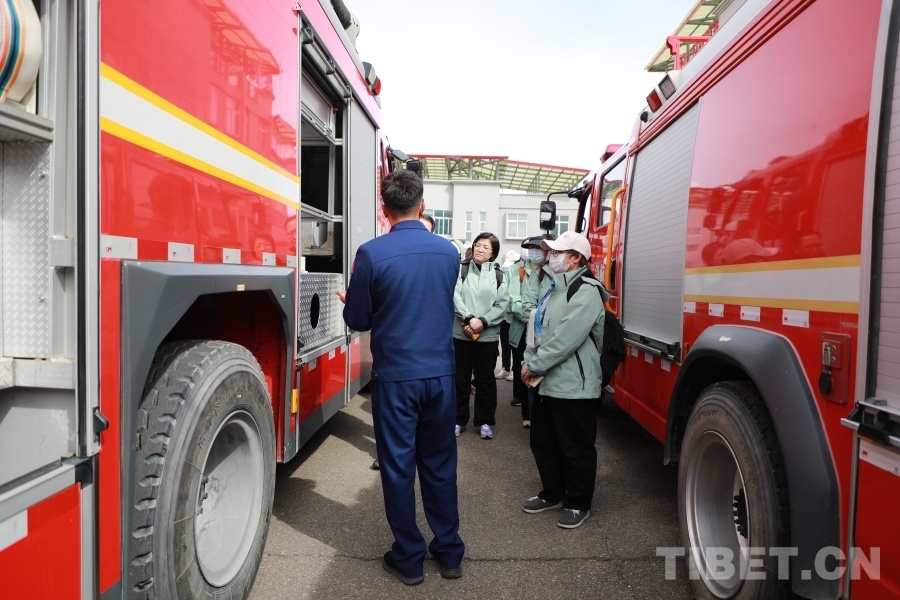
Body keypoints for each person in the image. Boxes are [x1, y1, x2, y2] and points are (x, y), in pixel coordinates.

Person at [337, 170, 464, 585]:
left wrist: (353, 301)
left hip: (396, 377)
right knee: (440, 464)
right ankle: (449, 552)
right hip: (440, 374)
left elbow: (358, 319)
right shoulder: (448, 252)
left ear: (384, 209)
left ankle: (409, 558)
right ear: (421, 205)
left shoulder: (372, 253)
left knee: (398, 466)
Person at [520, 231, 608, 529]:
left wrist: (534, 366)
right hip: (546, 381)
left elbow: (566, 339)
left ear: (576, 258)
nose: (551, 256)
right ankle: (553, 493)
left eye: (558, 252)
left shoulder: (587, 290)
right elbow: (537, 330)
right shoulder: (554, 288)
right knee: (543, 442)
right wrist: (528, 361)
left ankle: (578, 502)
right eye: (552, 252)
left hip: (574, 384)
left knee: (575, 447)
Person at [453, 232, 509, 440]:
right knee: (460, 378)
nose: (480, 249)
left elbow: (502, 304)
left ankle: (485, 421)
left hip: (487, 336)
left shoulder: (499, 275)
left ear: (493, 253)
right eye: (477, 245)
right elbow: (455, 296)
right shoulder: (461, 270)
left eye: (486, 247)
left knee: (485, 379)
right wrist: (469, 319)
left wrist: (482, 322)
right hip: (461, 333)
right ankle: (458, 419)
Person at [506, 234, 553, 426]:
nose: (534, 252)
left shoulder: (552, 271)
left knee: (543, 369)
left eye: (538, 248)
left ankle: (541, 413)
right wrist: (529, 319)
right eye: (531, 248)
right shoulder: (517, 270)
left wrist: (539, 321)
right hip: (521, 329)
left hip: (545, 330)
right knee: (524, 367)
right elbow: (514, 299)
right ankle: (527, 414)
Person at [495, 249, 521, 381]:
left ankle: (514, 370)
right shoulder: (504, 273)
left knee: (515, 346)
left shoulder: (519, 272)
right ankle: (505, 368)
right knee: (505, 344)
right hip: (504, 316)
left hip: (515, 317)